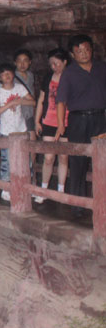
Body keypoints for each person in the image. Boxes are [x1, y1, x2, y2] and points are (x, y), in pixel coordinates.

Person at [55, 34, 106, 213]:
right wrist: (61, 124)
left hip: (101, 119)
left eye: (86, 50)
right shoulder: (69, 74)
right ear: (73, 54)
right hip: (78, 121)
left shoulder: (102, 68)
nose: (84, 54)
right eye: (79, 51)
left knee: (103, 161)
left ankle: (102, 203)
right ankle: (78, 206)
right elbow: (60, 101)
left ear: (92, 50)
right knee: (78, 163)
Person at [0, 62, 35, 202]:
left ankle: (27, 187)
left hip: (21, 129)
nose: (7, 76)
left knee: (26, 160)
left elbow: (33, 102)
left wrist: (20, 101)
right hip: (6, 131)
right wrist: (10, 104)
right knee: (7, 161)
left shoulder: (19, 88)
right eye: (4, 74)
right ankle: (6, 188)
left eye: (9, 72)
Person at [34, 48, 70, 201]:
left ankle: (60, 191)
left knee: (63, 157)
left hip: (68, 122)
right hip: (49, 121)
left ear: (65, 62)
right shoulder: (48, 77)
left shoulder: (71, 77)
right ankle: (43, 190)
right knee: (48, 157)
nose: (54, 67)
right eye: (51, 64)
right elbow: (41, 100)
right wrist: (37, 120)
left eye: (57, 63)